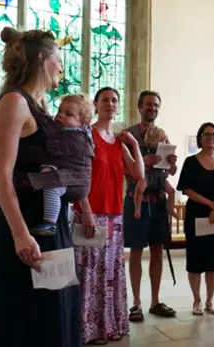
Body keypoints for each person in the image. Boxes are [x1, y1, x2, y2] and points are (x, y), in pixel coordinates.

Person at [0, 26, 82, 347]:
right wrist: (20, 233)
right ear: (44, 59)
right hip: (28, 226)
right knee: (28, 316)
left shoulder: (42, 105)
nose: (62, 66)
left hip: (52, 225)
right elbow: (1, 175)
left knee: (54, 309)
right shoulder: (14, 102)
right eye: (59, 59)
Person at [72, 87, 144, 344]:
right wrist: (87, 212)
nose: (110, 104)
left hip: (114, 216)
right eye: (105, 100)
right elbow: (78, 177)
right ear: (95, 104)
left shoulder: (118, 142)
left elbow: (138, 174)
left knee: (109, 274)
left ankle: (108, 326)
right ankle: (87, 329)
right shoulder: (87, 135)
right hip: (90, 214)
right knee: (89, 275)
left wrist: (134, 144)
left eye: (114, 100)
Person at [119, 90, 178, 322]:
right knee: (135, 250)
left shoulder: (162, 134)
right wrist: (144, 162)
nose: (152, 108)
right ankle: (135, 304)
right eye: (148, 104)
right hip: (137, 199)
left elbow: (169, 171)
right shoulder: (127, 135)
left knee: (157, 250)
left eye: (155, 105)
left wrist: (172, 164)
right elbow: (122, 169)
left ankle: (155, 301)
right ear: (139, 106)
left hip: (158, 199)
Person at [176, 122, 214, 315]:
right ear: (200, 138)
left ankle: (210, 300)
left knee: (213, 259)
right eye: (206, 135)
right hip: (197, 215)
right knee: (195, 259)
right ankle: (197, 301)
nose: (210, 138)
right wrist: (211, 205)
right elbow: (186, 189)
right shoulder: (191, 162)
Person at [32, 94, 94, 236]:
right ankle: (63, 221)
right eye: (59, 111)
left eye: (68, 114)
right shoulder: (69, 132)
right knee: (51, 180)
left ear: (82, 123)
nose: (60, 115)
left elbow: (52, 149)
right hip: (72, 178)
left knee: (51, 186)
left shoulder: (74, 137)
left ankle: (50, 223)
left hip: (76, 181)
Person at [133, 125, 177, 219]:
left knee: (171, 190)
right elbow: (136, 164)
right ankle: (137, 208)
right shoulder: (143, 149)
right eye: (154, 142)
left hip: (160, 176)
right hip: (147, 174)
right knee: (140, 188)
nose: (157, 145)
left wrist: (171, 163)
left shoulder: (166, 150)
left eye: (161, 141)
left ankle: (171, 209)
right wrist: (145, 161)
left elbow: (172, 171)